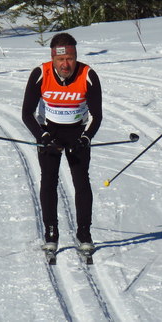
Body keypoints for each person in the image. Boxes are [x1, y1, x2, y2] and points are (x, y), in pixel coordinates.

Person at [21, 33, 103, 256]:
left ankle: (84, 233)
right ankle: (51, 233)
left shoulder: (88, 75)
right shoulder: (40, 74)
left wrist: (86, 138)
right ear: (53, 58)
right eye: (60, 59)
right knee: (48, 180)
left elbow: (96, 115)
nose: (65, 64)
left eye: (70, 58)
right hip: (50, 132)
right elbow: (27, 113)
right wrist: (43, 136)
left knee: (81, 181)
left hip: (77, 132)